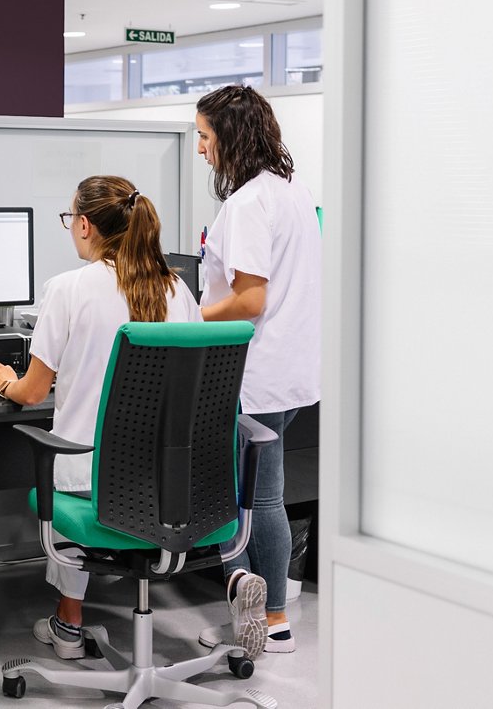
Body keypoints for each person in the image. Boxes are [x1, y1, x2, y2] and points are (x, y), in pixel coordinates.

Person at [0, 176, 266, 661]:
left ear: (86, 225)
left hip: (94, 480)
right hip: (173, 483)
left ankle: (69, 624)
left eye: (71, 219)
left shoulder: (67, 289)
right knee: (123, 482)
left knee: (65, 463)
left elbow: (33, 393)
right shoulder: (177, 289)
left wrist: (5, 381)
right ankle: (233, 574)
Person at [193, 85, 322, 656]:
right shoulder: (292, 191)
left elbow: (249, 300)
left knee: (253, 499)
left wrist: (188, 315)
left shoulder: (247, 203)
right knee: (260, 494)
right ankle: (265, 618)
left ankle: (268, 622)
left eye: (204, 136)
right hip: (291, 371)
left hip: (253, 374)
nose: (200, 148)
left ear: (230, 137)